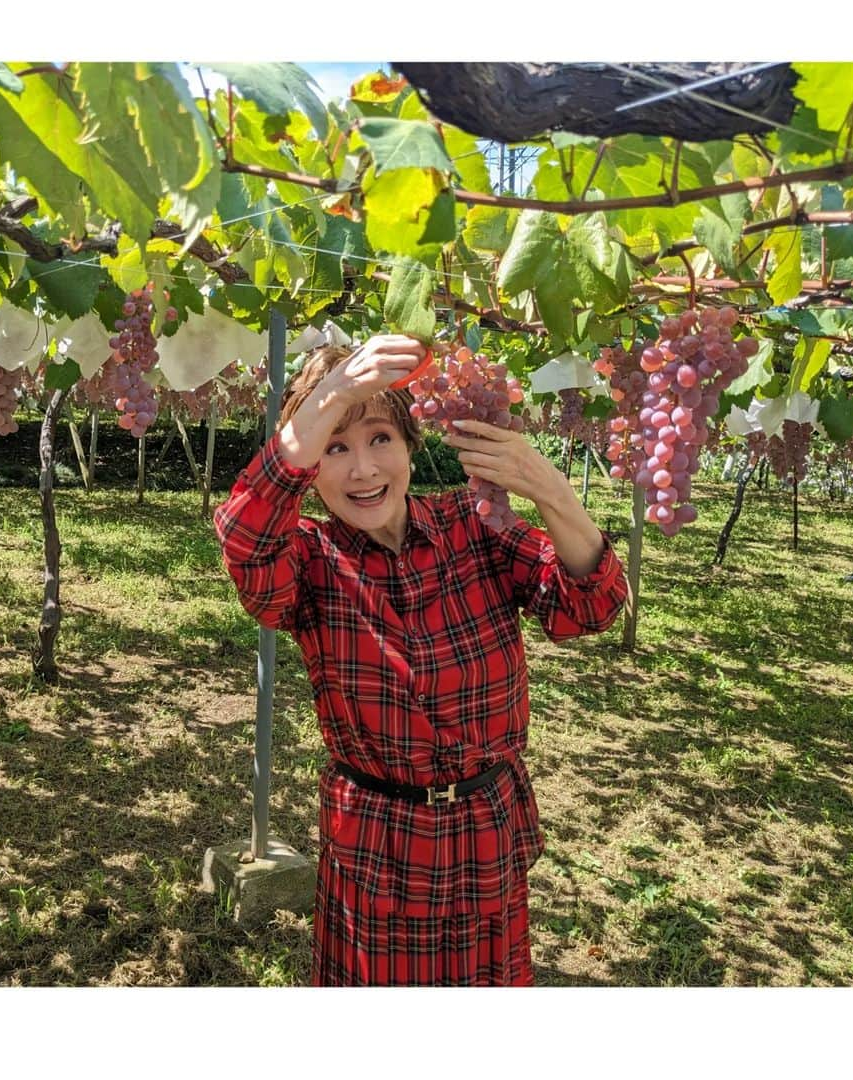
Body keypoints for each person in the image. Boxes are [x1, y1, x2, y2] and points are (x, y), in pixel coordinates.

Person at [214, 333, 629, 986]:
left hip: (486, 831)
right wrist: (333, 392)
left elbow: (589, 606)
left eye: (380, 438)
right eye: (334, 448)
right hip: (378, 844)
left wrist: (551, 489)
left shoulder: (476, 525)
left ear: (410, 444)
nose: (362, 470)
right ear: (309, 467)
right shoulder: (310, 562)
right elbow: (244, 533)